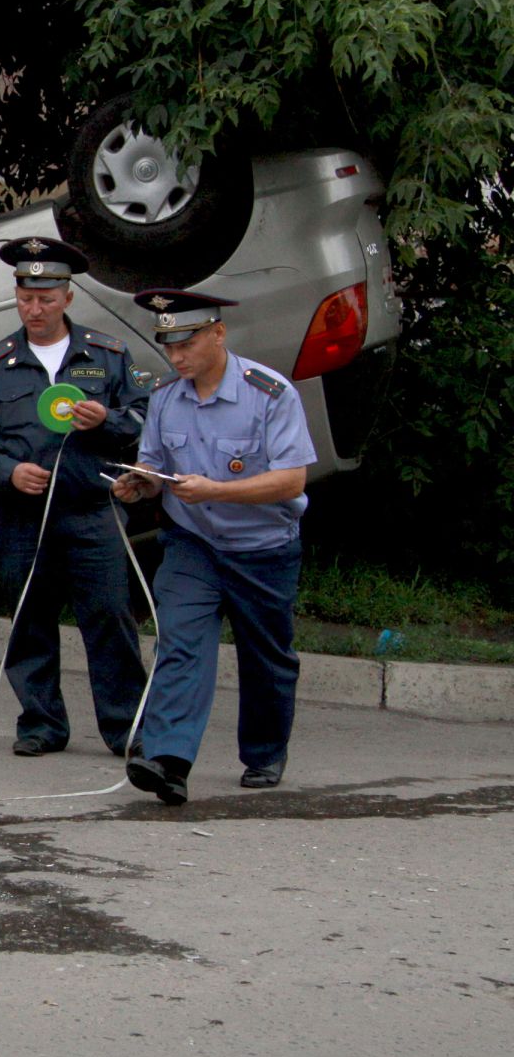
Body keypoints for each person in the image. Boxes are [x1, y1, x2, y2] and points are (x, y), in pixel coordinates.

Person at [113, 289, 316, 806]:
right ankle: (167, 760)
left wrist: (217, 491)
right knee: (180, 642)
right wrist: (141, 484)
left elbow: (292, 481)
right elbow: (156, 465)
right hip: (192, 543)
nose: (176, 356)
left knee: (266, 656)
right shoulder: (164, 396)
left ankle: (266, 752)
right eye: (168, 345)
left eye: (187, 342)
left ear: (218, 334)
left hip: (262, 547)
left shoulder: (269, 393)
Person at [0, 237, 150, 757]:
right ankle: (41, 723)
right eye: (25, 298)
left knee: (110, 619)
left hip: (93, 510)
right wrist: (8, 471)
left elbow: (148, 422)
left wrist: (107, 419)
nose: (34, 309)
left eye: (45, 298)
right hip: (23, 517)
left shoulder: (107, 355)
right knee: (29, 621)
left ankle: (125, 727)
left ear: (67, 297)